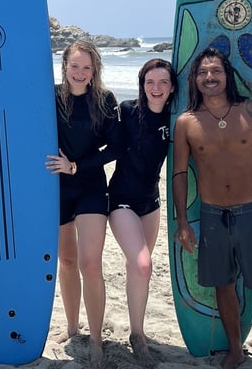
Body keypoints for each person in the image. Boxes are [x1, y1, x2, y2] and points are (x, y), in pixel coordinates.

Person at [172, 47, 252, 369]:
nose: (210, 77)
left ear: (227, 76)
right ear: (195, 80)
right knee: (223, 285)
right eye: (203, 73)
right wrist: (182, 221)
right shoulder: (186, 122)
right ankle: (235, 349)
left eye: (216, 71)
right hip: (211, 215)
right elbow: (179, 174)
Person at [45, 40, 122, 368]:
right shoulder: (50, 95)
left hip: (90, 186)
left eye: (86, 67)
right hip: (57, 187)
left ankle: (95, 338)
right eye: (74, 66)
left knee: (90, 264)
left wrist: (77, 166)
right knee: (66, 261)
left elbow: (115, 148)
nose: (79, 73)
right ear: (64, 66)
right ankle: (72, 327)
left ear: (95, 71)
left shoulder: (104, 101)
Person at [108, 58, 177, 364]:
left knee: (138, 269)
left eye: (163, 82)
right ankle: (137, 335)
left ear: (172, 86)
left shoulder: (177, 117)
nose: (156, 88)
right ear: (142, 84)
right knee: (143, 264)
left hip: (151, 202)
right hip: (121, 199)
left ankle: (138, 330)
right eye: (150, 82)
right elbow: (102, 137)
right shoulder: (126, 110)